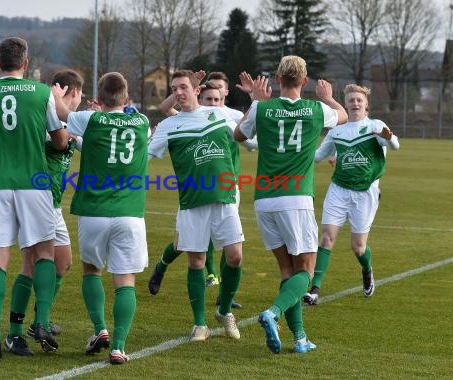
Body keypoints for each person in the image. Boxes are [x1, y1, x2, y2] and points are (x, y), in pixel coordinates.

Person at [235, 55, 348, 354]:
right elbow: (344, 116)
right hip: (296, 198)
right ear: (305, 80)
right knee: (306, 272)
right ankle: (272, 313)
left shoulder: (263, 107)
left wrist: (256, 101)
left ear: (276, 78)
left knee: (288, 270)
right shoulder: (316, 109)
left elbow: (238, 135)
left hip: (264, 200)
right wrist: (330, 97)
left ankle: (299, 338)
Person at [0, 36, 68, 359]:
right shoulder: (42, 93)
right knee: (43, 254)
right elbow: (60, 142)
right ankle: (40, 322)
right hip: (34, 182)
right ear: (25, 64)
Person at [52, 72, 150, 365]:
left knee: (92, 271)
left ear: (100, 96)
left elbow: (62, 115)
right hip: (130, 214)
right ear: (127, 97)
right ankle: (118, 347)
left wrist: (58, 94)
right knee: (125, 282)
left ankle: (100, 329)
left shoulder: (89, 120)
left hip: (94, 212)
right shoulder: (142, 122)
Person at [148, 69, 244, 342]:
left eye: (183, 87)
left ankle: (224, 312)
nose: (179, 92)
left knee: (235, 256)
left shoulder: (220, 115)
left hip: (224, 198)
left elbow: (247, 133)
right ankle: (199, 323)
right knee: (196, 261)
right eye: (175, 88)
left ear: (196, 89)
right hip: (192, 202)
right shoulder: (169, 125)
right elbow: (146, 154)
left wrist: (257, 101)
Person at [3, 69, 84, 356]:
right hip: (36, 200)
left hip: (53, 205)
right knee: (31, 263)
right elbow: (53, 140)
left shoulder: (68, 120)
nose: (80, 99)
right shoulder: (44, 116)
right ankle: (15, 333)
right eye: (79, 94)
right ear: (71, 92)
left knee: (62, 262)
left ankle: (41, 320)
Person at [303, 84, 400, 305]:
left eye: (359, 100)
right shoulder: (337, 131)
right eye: (351, 100)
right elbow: (318, 157)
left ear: (366, 104)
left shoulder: (374, 125)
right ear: (345, 103)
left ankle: (367, 271)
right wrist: (299, 148)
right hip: (338, 190)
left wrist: (389, 137)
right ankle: (314, 289)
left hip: (366, 193)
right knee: (326, 237)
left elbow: (394, 146)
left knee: (358, 247)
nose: (355, 103)